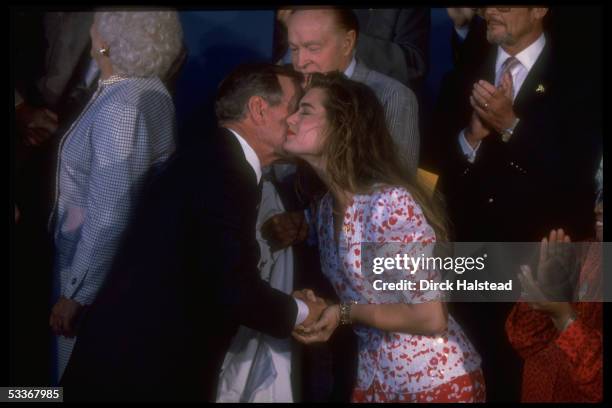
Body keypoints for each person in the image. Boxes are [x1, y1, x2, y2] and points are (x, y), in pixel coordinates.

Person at [60, 63, 327, 402]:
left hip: (127, 362)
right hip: (140, 374)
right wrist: (302, 312)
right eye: (295, 108)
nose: (297, 121)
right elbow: (233, 290)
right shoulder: (226, 172)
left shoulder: (215, 156)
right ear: (259, 109)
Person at [431, 8, 602, 401]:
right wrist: (470, 139)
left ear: (539, 9)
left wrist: (511, 126)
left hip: (540, 274)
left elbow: (577, 178)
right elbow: (431, 168)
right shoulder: (461, 75)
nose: (489, 10)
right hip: (468, 268)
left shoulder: (582, 78)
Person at [282, 71, 485, 402]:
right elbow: (368, 297)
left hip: (434, 385)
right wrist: (324, 307)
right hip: (376, 382)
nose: (290, 119)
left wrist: (344, 312)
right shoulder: (324, 211)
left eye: (305, 110)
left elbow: (430, 316)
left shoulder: (387, 204)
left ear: (342, 125)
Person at [48, 10, 183, 384]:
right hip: (119, 270)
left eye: (94, 22)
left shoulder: (122, 108)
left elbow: (109, 213)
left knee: (67, 383)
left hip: (91, 275)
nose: (89, 28)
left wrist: (76, 292)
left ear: (106, 41)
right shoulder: (149, 89)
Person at [505, 162, 603, 402]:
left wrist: (563, 317)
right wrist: (542, 297)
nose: (597, 208)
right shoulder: (580, 253)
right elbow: (523, 341)